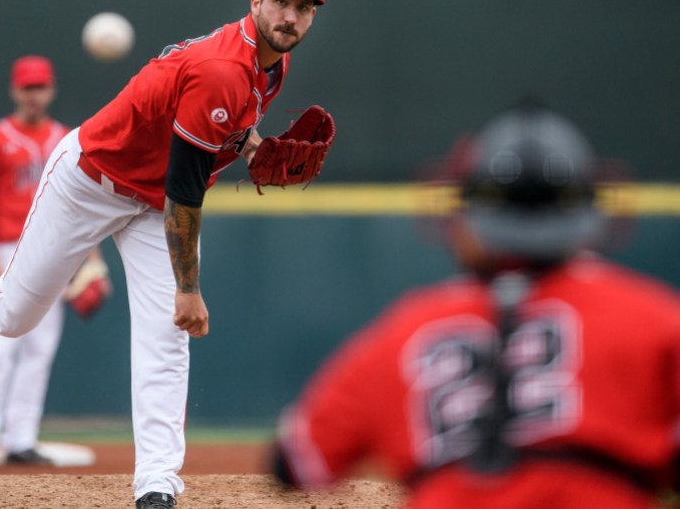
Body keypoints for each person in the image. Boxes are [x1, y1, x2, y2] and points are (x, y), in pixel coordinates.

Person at [0, 0, 325, 508]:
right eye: (281, 2)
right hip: (91, 181)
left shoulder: (272, 64)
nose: (291, 16)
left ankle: (157, 483)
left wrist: (252, 146)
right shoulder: (223, 67)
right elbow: (185, 191)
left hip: (152, 199)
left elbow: (223, 127)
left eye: (303, 8)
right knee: (13, 315)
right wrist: (188, 288)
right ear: (254, 4)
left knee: (166, 337)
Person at [271, 101, 680, 507]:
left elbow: (294, 464)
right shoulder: (651, 317)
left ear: (467, 216)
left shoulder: (408, 329)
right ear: (591, 212)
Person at [0, 55, 111, 467]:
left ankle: (21, 438)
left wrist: (91, 261)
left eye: (40, 87)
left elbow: (84, 204)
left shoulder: (66, 138)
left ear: (51, 90)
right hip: (8, 249)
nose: (33, 94)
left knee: (39, 350)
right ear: (14, 90)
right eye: (27, 87)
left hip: (55, 252)